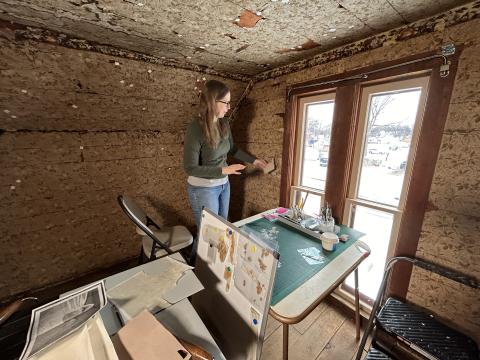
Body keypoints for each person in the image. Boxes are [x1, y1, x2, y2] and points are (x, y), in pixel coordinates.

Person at [183, 80, 267, 261]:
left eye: (230, 102)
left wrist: (255, 161)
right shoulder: (195, 128)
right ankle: (193, 266)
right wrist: (225, 170)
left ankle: (213, 268)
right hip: (202, 188)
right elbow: (190, 168)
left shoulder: (224, 124)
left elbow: (232, 149)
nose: (229, 107)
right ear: (213, 102)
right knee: (210, 232)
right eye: (226, 102)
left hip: (223, 185)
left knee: (222, 228)